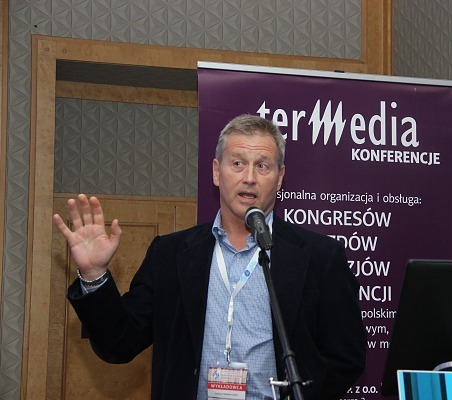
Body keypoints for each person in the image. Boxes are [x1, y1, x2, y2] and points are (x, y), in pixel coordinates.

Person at [53, 114, 366, 400]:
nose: (249, 178)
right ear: (217, 172)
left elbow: (346, 358)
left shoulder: (320, 257)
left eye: (262, 166)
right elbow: (119, 344)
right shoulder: (170, 254)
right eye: (237, 163)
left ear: (280, 177)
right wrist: (94, 274)